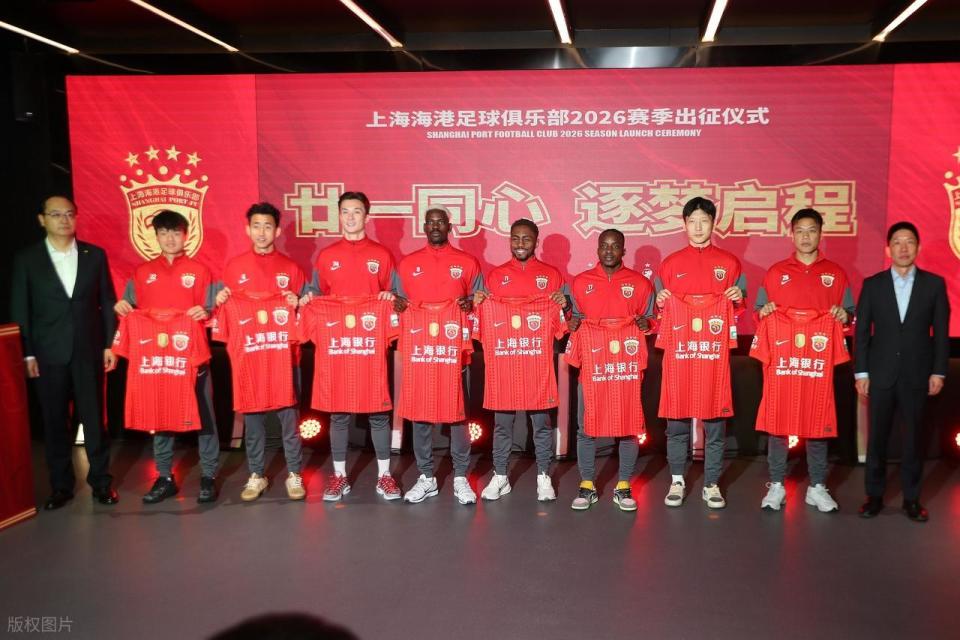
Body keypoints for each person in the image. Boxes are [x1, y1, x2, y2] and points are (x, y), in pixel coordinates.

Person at [9, 195, 119, 509]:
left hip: (88, 351)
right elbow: (20, 309)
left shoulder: (94, 255)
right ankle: (60, 486)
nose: (64, 220)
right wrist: (27, 354)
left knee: (94, 419)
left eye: (69, 214)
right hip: (47, 354)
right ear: (42, 219)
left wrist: (110, 344)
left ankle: (101, 482)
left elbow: (107, 301)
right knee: (55, 421)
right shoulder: (27, 260)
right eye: (56, 214)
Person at [113, 210, 220, 504]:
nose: (170, 239)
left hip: (193, 359)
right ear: (156, 236)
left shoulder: (201, 271)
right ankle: (164, 477)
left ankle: (209, 475)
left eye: (175, 232)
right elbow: (128, 306)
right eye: (164, 233)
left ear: (186, 235)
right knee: (160, 416)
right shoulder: (142, 272)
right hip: (159, 361)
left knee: (205, 418)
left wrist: (206, 311)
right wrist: (122, 305)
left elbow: (215, 310)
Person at [301, 191, 402, 502]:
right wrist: (309, 299)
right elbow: (316, 293)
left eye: (357, 211)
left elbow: (397, 296)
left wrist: (389, 297)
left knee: (378, 412)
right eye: (345, 211)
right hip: (339, 346)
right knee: (339, 414)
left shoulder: (382, 255)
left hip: (369, 344)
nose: (351, 217)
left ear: (366, 217)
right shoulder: (327, 256)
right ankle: (339, 477)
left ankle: (384, 476)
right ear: (339, 215)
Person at [754, 208, 855, 513]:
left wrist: (844, 315)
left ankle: (817, 486)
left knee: (817, 419)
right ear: (792, 234)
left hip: (815, 364)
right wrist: (764, 312)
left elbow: (849, 315)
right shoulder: (775, 273)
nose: (806, 236)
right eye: (800, 230)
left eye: (812, 230)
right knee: (777, 422)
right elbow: (759, 312)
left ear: (820, 234)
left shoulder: (836, 274)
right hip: (783, 363)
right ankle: (776, 484)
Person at [855, 221, 950, 522]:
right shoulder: (873, 284)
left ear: (917, 247)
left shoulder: (934, 285)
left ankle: (912, 499)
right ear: (888, 249)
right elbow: (862, 334)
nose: (903, 248)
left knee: (914, 441)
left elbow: (942, 334)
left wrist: (938, 372)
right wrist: (861, 373)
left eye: (909, 241)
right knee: (877, 439)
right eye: (897, 242)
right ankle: (874, 496)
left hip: (917, 375)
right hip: (880, 374)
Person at [655, 197, 745, 509]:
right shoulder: (669, 264)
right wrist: (661, 301)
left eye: (704, 221)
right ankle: (677, 480)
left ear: (713, 223)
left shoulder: (730, 263)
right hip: (680, 355)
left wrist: (737, 298)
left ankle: (711, 483)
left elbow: (739, 309)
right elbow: (658, 311)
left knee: (715, 425)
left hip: (712, 356)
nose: (697, 227)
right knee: (677, 424)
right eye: (692, 221)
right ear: (684, 224)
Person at [215, 202, 306, 502]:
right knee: (253, 422)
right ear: (248, 230)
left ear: (277, 231)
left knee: (289, 421)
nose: (262, 232)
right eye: (257, 226)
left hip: (284, 358)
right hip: (250, 358)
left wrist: (297, 303)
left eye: (268, 226)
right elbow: (224, 313)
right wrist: (222, 300)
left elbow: (305, 314)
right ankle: (257, 474)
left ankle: (294, 473)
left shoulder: (291, 269)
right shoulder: (234, 267)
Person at [473, 218, 569, 502]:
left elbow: (562, 324)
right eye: (515, 238)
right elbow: (484, 320)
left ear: (536, 241)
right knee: (502, 424)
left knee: (541, 424)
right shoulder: (496, 276)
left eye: (526, 238)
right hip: (504, 364)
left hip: (536, 364)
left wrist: (563, 304)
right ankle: (501, 475)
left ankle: (543, 476)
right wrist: (480, 303)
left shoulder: (552, 276)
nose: (520, 244)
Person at [395, 207, 483, 505]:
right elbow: (398, 302)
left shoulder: (467, 262)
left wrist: (471, 302)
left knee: (458, 415)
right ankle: (426, 477)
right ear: (424, 227)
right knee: (420, 414)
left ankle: (460, 477)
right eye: (430, 222)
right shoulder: (408, 263)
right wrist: (397, 305)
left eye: (440, 222)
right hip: (421, 351)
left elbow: (480, 300)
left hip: (453, 351)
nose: (435, 226)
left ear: (449, 226)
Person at [567, 228, 655, 512]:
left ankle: (624, 485)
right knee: (586, 426)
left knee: (628, 424)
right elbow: (574, 319)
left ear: (623, 251)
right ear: (597, 249)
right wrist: (571, 323)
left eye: (615, 246)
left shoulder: (641, 284)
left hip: (625, 366)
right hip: (593, 366)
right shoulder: (581, 282)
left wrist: (647, 325)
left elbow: (652, 320)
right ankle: (587, 485)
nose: (609, 251)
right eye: (604, 245)